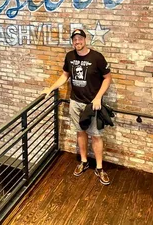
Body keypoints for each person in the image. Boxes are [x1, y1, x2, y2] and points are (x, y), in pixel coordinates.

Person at [43, 29, 112, 185]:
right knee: (80, 132)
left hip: (92, 104)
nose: (77, 42)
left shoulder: (97, 57)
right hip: (75, 101)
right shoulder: (70, 56)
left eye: (80, 39)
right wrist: (51, 88)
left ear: (85, 40)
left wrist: (98, 97)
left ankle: (99, 168)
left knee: (96, 134)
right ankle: (84, 161)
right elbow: (65, 75)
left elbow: (107, 78)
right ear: (72, 41)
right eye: (75, 39)